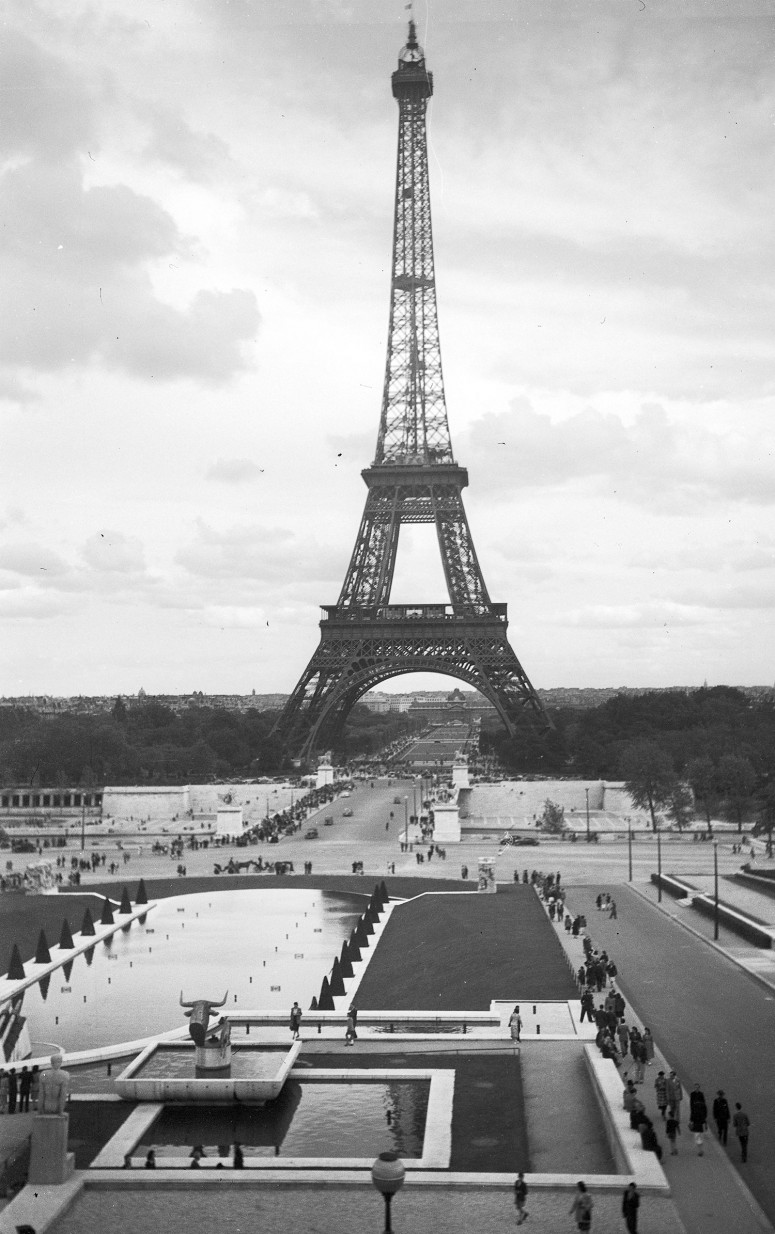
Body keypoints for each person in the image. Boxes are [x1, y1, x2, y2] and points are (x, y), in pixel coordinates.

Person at [689, 1084, 708, 1155]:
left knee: (697, 1137)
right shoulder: (700, 1106)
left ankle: (700, 1150)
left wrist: (691, 1120)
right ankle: (701, 1149)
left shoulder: (696, 1107)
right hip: (701, 1122)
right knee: (700, 1137)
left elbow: (693, 1114)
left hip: (697, 1124)